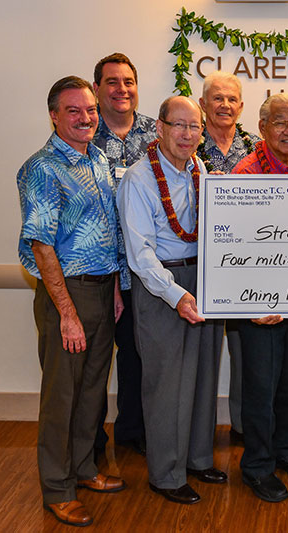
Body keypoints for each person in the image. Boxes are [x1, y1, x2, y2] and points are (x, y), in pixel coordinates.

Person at [17, 76, 126, 527]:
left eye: (90, 110)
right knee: (61, 396)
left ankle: (84, 469)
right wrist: (66, 313)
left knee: (91, 392)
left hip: (104, 289)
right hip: (68, 292)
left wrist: (116, 289)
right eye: (74, 111)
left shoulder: (99, 159)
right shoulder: (42, 168)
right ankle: (57, 488)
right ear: (55, 116)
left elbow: (109, 232)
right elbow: (41, 246)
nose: (86, 118)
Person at [117, 96, 226, 505]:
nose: (186, 134)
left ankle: (198, 458)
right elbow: (140, 255)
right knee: (166, 383)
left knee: (202, 375)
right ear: (159, 128)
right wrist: (177, 295)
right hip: (162, 285)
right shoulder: (138, 179)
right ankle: (166, 474)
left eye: (194, 127)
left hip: (203, 276)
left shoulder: (200, 169)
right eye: (177, 126)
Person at [231, 93, 288, 503]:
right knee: (260, 387)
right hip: (261, 304)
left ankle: (285, 449)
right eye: (280, 122)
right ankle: (257, 465)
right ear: (263, 129)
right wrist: (250, 303)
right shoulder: (245, 174)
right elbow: (233, 243)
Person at [91, 52, 157, 458]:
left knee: (139, 359)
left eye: (128, 81)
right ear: (97, 88)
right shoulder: (83, 133)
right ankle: (91, 442)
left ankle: (134, 430)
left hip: (144, 272)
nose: (122, 89)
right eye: (112, 82)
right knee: (95, 364)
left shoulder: (156, 133)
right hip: (99, 271)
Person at [196, 70, 260, 444]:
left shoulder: (256, 147)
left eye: (231, 99)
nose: (224, 105)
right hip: (198, 265)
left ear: (241, 106)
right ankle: (199, 434)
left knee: (246, 354)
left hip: (244, 268)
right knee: (202, 358)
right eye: (216, 98)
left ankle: (243, 428)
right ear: (203, 104)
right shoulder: (187, 141)